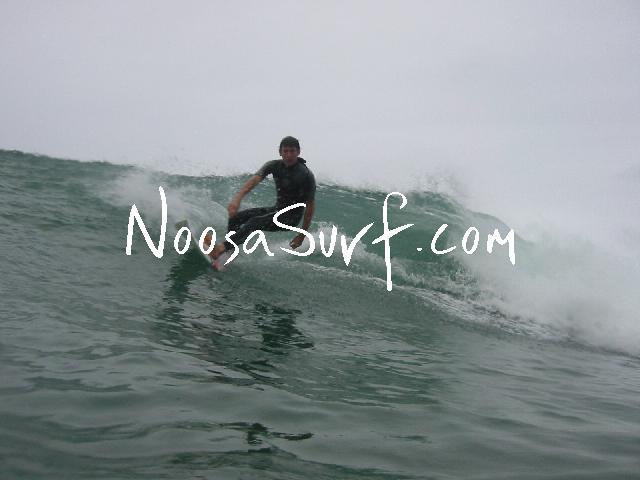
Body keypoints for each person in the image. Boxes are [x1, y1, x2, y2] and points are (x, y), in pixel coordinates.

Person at [205, 136, 316, 261]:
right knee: (236, 218)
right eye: (285, 151)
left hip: (291, 218)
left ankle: (221, 249)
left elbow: (310, 207)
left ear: (298, 152)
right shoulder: (274, 165)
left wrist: (301, 235)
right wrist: (237, 199)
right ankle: (228, 251)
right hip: (277, 210)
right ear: (280, 152)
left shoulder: (306, 175)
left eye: (292, 151)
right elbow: (254, 180)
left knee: (254, 222)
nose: (289, 155)